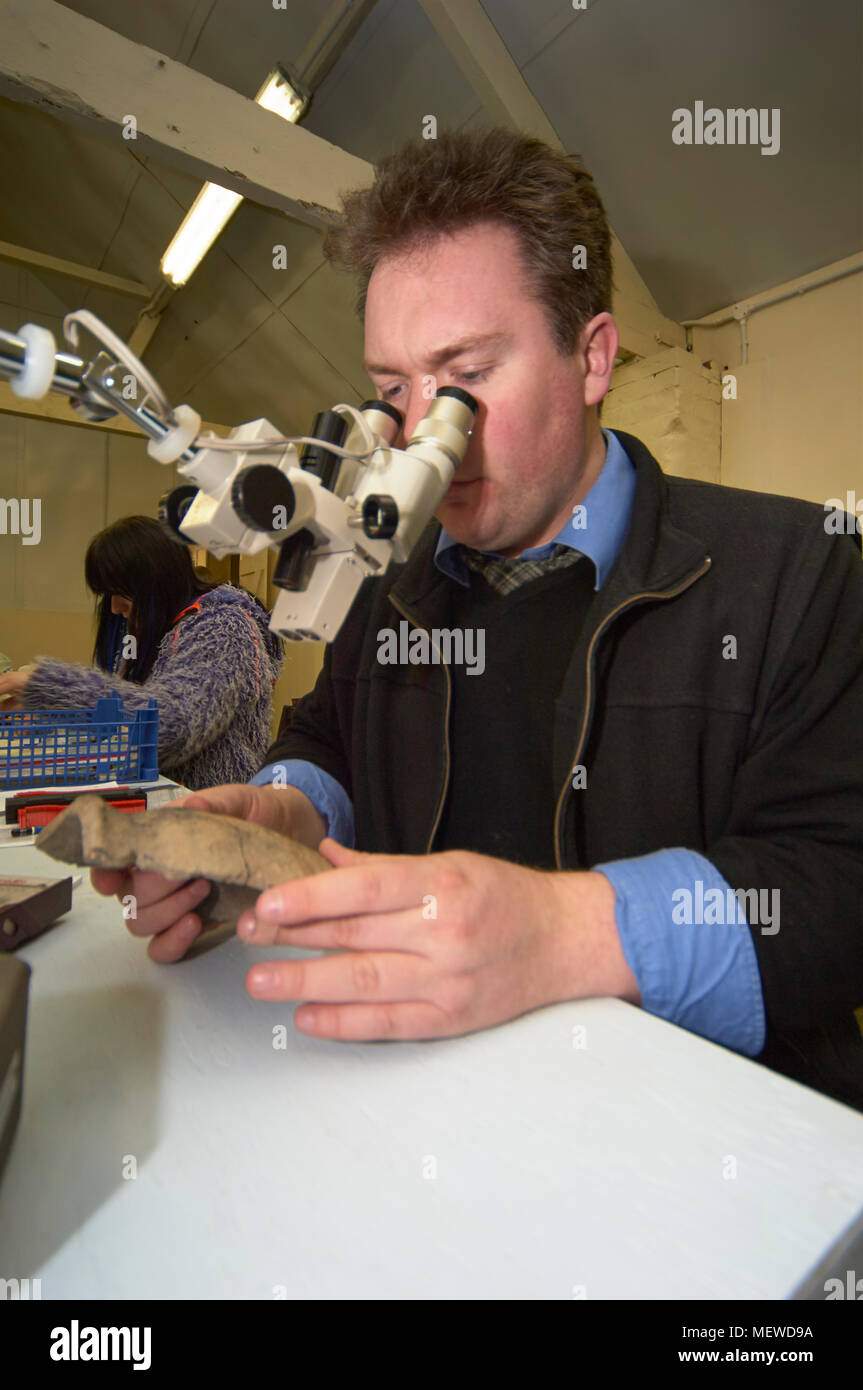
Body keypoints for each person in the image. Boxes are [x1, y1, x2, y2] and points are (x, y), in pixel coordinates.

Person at [90, 129, 863, 1110]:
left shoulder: (791, 570)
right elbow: (331, 733)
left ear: (589, 358)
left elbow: (838, 885)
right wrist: (285, 815)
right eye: (391, 392)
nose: (423, 438)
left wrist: (559, 934)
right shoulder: (383, 575)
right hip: (434, 1116)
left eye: (465, 378)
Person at [0, 515, 283, 789]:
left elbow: (169, 729)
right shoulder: (150, 631)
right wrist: (49, 714)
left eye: (120, 593)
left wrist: (50, 688)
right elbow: (120, 723)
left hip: (212, 816)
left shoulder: (224, 628)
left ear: (156, 583)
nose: (113, 608)